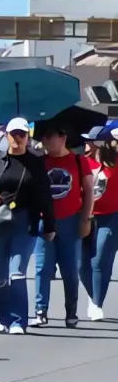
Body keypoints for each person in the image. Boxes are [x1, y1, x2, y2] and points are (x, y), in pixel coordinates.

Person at [0, 117, 54, 334]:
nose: (18, 138)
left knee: (17, 272)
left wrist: (49, 224)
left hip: (25, 221)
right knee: (0, 274)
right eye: (14, 134)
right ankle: (1, 318)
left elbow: (45, 195)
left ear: (27, 137)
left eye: (22, 134)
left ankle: (19, 320)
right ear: (6, 136)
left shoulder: (36, 162)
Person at [33, 121, 95, 328]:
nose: (47, 140)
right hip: (44, 221)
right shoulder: (39, 163)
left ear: (63, 137)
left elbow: (88, 192)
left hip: (70, 220)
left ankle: (71, 311)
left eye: (51, 136)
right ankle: (41, 310)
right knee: (42, 267)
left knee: (69, 269)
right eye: (44, 137)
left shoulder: (79, 161)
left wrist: (85, 219)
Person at [84, 125, 118, 320]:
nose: (86, 144)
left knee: (100, 260)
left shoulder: (115, 163)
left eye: (91, 141)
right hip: (85, 216)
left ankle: (97, 302)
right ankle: (92, 293)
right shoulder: (83, 163)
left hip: (111, 216)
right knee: (82, 264)